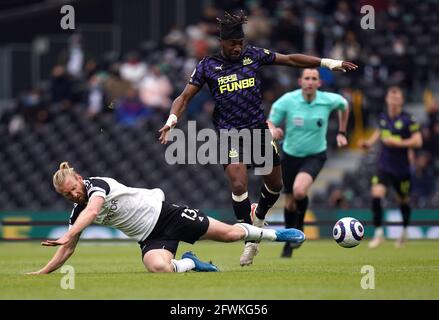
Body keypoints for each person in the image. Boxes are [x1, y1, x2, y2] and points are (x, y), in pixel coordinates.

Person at [158, 11, 357, 266]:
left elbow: (291, 59)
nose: (238, 47)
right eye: (233, 44)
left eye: (241, 42)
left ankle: (258, 219)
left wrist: (328, 62)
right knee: (239, 185)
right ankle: (251, 239)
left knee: (275, 186)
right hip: (229, 135)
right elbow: (184, 98)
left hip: (257, 132)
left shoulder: (253, 55)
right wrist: (171, 120)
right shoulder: (208, 65)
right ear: (223, 42)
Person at [25, 162, 305, 274]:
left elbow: (94, 211)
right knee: (157, 268)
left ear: (79, 178)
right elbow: (68, 249)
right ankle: (190, 263)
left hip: (167, 215)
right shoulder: (78, 211)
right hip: (150, 237)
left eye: (73, 188)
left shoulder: (98, 186)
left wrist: (69, 233)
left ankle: (277, 234)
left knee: (232, 235)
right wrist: (42, 272)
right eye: (66, 195)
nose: (73, 195)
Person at [267, 68, 350, 258]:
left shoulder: (328, 100)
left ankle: (300, 224)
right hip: (290, 156)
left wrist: (342, 132)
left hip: (315, 155)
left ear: (319, 83)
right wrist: (274, 131)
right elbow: (270, 122)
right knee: (288, 203)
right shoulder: (288, 100)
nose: (310, 82)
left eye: (314, 78)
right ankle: (289, 241)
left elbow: (344, 105)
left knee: (299, 191)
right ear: (300, 81)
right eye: (307, 78)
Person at [359, 86, 422, 248]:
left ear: (401, 100)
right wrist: (367, 144)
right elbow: (378, 134)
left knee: (403, 200)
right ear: (387, 99)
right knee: (377, 194)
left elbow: (418, 141)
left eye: (397, 98)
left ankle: (405, 230)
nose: (393, 101)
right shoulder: (383, 118)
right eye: (391, 98)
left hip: (402, 169)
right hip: (384, 165)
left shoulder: (409, 120)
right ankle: (379, 234)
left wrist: (399, 143)